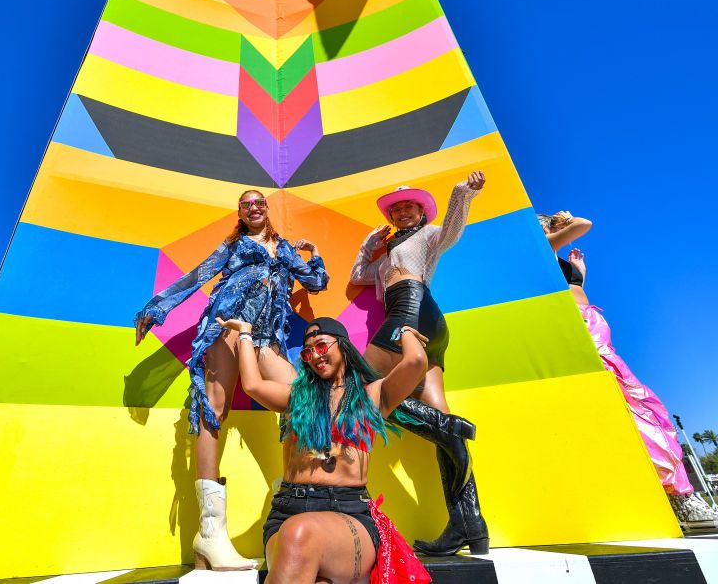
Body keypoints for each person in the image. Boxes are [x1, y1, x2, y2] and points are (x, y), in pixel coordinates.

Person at [135, 190, 328, 570]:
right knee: (213, 409)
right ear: (240, 211)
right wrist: (156, 309)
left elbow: (317, 282)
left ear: (267, 210)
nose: (254, 208)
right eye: (246, 204)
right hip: (226, 326)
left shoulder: (283, 248)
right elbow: (198, 275)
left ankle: (287, 515)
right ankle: (211, 535)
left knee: (299, 399)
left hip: (265, 336)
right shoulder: (233, 245)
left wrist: (315, 251)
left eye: (260, 203)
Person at [540, 211, 718, 532]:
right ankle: (680, 498)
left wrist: (578, 273)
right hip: (575, 328)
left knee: (645, 408)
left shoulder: (559, 260)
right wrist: (565, 220)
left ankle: (676, 499)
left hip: (592, 325)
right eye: (549, 227)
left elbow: (575, 289)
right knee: (638, 409)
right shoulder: (536, 250)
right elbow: (585, 225)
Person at [219, 315, 431, 584]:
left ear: (342, 344)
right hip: (288, 511)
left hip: (349, 513)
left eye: (321, 346)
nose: (315, 356)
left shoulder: (373, 395)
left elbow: (415, 362)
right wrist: (246, 333)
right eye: (308, 353)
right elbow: (252, 385)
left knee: (300, 533)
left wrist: (403, 331)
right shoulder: (298, 398)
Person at [350, 171, 489, 556]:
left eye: (409, 206)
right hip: (429, 323)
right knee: (444, 430)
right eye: (396, 209)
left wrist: (463, 194)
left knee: (362, 389)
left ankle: (446, 427)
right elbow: (359, 276)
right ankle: (469, 524)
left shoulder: (427, 237)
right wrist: (369, 246)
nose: (402, 212)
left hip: (411, 312)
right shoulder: (391, 248)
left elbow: (452, 233)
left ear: (420, 211)